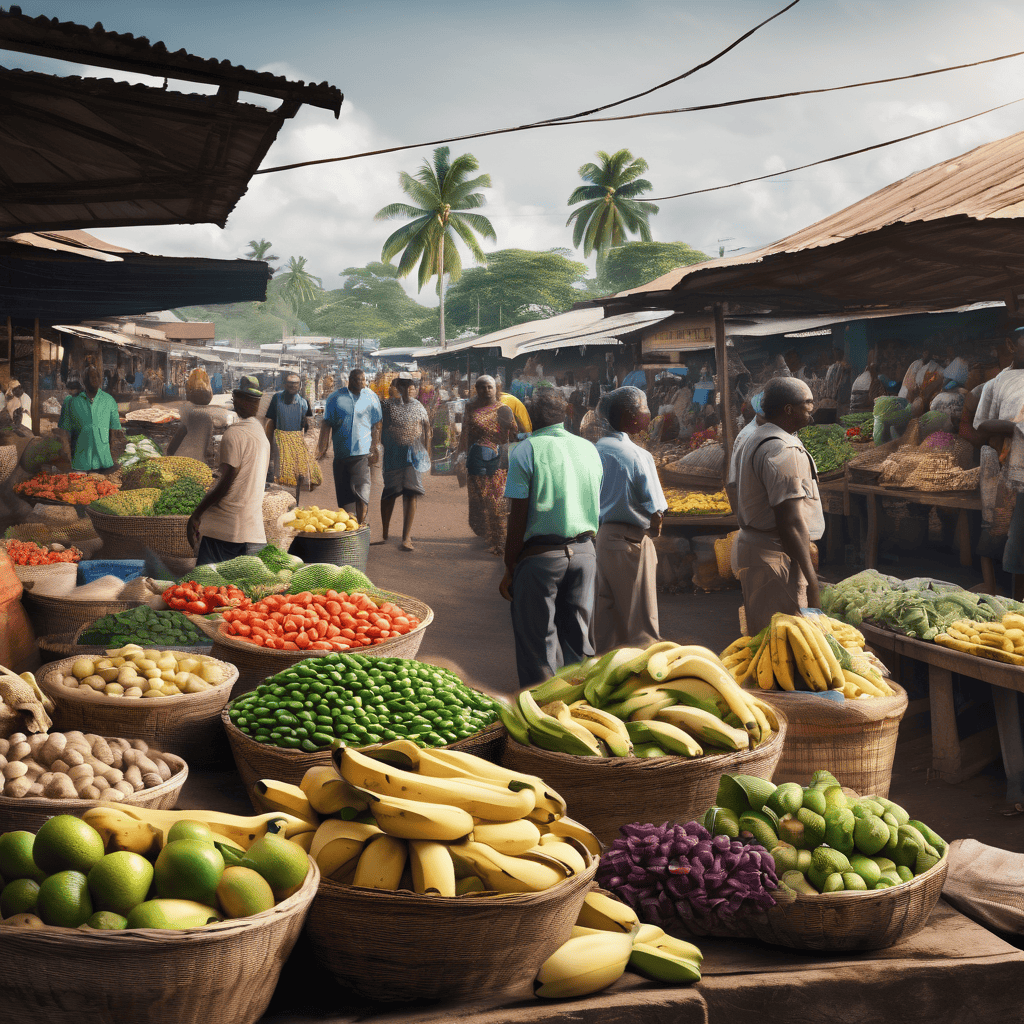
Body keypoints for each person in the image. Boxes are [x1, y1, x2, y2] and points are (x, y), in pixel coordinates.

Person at [501, 387, 604, 687]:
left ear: (531, 415)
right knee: (579, 642)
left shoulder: (525, 450)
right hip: (585, 554)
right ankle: (583, 709)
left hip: (540, 559)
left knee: (538, 650)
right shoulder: (589, 449)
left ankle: (547, 716)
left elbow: (516, 516)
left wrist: (510, 567)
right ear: (568, 413)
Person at [733, 377, 824, 635]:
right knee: (785, 642)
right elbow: (790, 522)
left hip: (758, 553)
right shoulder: (782, 448)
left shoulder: (756, 436)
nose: (812, 407)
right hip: (777, 560)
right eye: (807, 402)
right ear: (789, 409)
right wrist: (813, 582)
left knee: (764, 641)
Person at [593, 388, 667, 650]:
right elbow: (656, 510)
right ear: (630, 416)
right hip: (631, 541)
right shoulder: (636, 455)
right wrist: (654, 532)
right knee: (640, 625)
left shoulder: (594, 450)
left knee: (606, 619)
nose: (649, 412)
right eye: (645, 407)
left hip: (600, 539)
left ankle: (601, 675)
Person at [187, 376, 271, 566]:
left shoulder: (233, 434)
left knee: (206, 588)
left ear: (237, 401)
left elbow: (227, 480)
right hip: (254, 533)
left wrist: (198, 513)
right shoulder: (261, 435)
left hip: (225, 533)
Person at [975, 327, 1024, 593]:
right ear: (1011, 345)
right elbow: (981, 426)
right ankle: (1016, 605)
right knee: (1011, 541)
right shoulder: (997, 383)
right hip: (1011, 475)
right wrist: (1012, 428)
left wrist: (1010, 428)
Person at [458, 375, 518, 556]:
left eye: (489, 387)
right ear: (476, 388)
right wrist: (461, 456)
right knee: (478, 501)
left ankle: (500, 542)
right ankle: (487, 537)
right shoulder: (470, 407)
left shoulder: (504, 409)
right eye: (482, 387)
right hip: (475, 460)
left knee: (496, 502)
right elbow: (465, 432)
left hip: (497, 462)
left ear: (496, 388)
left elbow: (513, 433)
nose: (486, 390)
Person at [316, 368, 382, 525]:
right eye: (357, 379)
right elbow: (326, 424)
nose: (361, 382)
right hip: (341, 454)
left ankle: (361, 523)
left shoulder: (371, 397)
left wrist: (375, 447)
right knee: (345, 496)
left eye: (363, 379)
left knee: (362, 491)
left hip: (362, 453)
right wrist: (322, 449)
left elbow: (377, 424)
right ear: (350, 381)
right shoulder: (335, 398)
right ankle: (349, 525)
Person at [378, 376, 431, 552]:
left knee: (411, 493)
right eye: (404, 386)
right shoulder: (386, 405)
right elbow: (378, 427)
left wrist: (427, 453)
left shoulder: (418, 406)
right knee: (389, 493)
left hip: (413, 455)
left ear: (415, 389)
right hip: (392, 454)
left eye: (411, 386)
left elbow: (427, 430)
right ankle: (384, 532)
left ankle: (406, 537)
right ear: (396, 388)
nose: (408, 389)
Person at [57, 366, 124, 472]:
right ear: (84, 380)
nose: (94, 379)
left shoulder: (109, 400)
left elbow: (115, 432)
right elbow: (64, 432)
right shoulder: (71, 401)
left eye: (96, 376)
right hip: (79, 463)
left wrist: (113, 458)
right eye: (89, 376)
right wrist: (67, 457)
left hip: (104, 463)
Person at [266, 372, 322, 490]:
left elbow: (309, 425)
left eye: (295, 384)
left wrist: (309, 442)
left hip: (297, 438)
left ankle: (294, 490)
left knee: (301, 470)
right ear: (285, 385)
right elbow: (270, 421)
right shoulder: (276, 399)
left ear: (299, 386)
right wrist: (269, 442)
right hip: (280, 438)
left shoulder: (304, 402)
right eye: (290, 384)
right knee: (282, 471)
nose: (293, 386)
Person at [167, 367, 218, 464]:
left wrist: (169, 453)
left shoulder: (188, 410)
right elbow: (208, 443)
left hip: (184, 459)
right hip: (198, 460)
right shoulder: (207, 415)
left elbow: (179, 435)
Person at [818, 347, 853, 423]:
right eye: (834, 353)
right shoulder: (832, 367)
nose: (836, 355)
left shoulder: (845, 367)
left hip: (842, 401)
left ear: (842, 354)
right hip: (832, 401)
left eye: (838, 353)